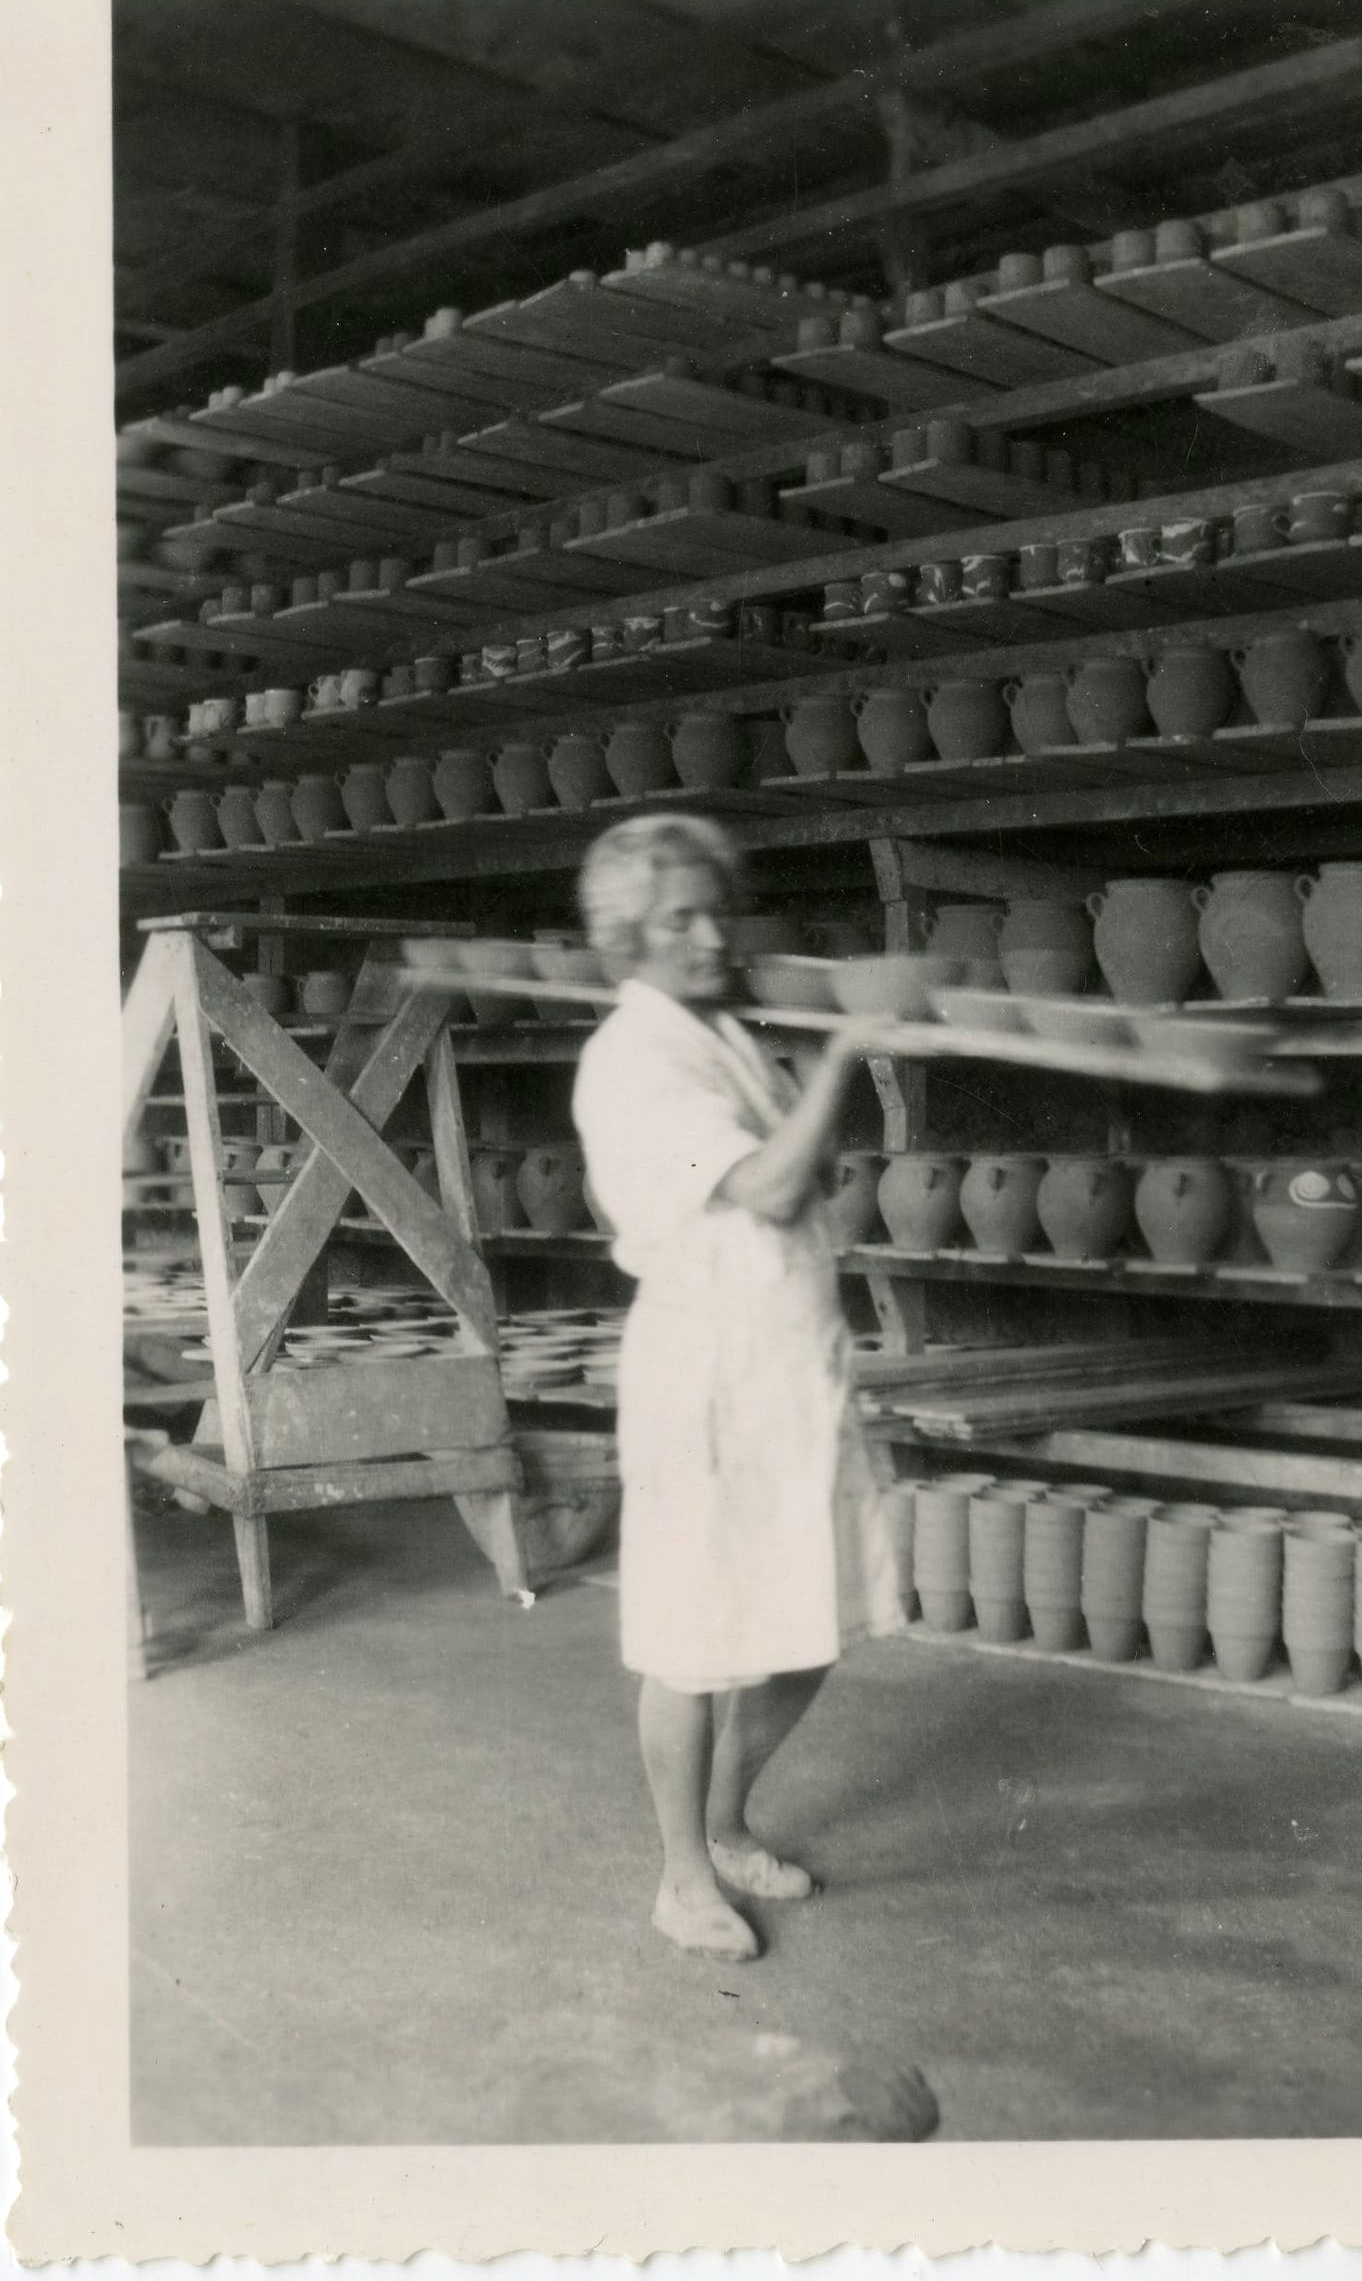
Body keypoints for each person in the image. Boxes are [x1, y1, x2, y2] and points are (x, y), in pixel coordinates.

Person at [571, 813, 903, 1963]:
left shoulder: (721, 1037)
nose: (712, 934)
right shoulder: (633, 1057)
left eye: (718, 910)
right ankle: (678, 1876)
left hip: (785, 1361)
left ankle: (723, 1822)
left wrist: (812, 1078)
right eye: (680, 918)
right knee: (692, 1638)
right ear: (625, 936)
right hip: (706, 1375)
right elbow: (763, 1185)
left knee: (804, 1627)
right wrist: (847, 1060)